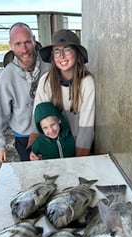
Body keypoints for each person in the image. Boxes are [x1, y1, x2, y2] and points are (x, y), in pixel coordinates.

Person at [29, 29, 95, 159]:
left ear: (77, 53)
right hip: (52, 147)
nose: (62, 56)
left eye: (67, 50)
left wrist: (80, 159)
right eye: (57, 51)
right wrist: (35, 150)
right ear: (52, 56)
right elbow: (38, 116)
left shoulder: (87, 82)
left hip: (76, 146)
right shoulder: (46, 80)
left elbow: (86, 127)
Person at [0, 22, 50, 162]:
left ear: (34, 40)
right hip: (24, 136)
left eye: (27, 42)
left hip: (51, 133)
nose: (24, 49)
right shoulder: (7, 75)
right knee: (31, 176)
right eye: (18, 44)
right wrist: (0, 144)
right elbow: (1, 110)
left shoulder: (49, 68)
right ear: (11, 45)